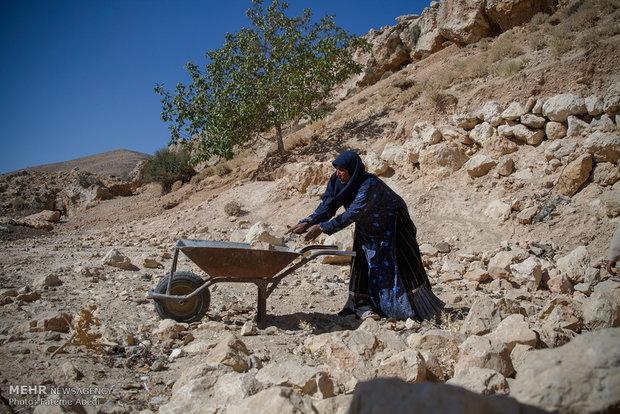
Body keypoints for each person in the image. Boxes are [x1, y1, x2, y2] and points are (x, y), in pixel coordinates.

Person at [287, 150, 444, 321]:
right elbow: (328, 205)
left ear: (352, 170)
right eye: (337, 169)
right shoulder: (338, 181)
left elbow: (352, 213)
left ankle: (415, 310)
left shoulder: (369, 185)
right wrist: (307, 222)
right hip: (367, 226)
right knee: (365, 266)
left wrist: (323, 227)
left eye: (342, 170)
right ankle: (364, 307)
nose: (338, 174)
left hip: (394, 224)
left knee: (402, 265)